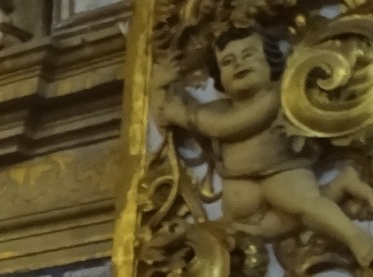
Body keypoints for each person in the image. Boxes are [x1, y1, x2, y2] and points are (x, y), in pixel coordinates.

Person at [155, 30, 373, 264]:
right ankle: (341, 184)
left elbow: (225, 126)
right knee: (273, 225)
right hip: (243, 202)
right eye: (227, 62)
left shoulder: (273, 96)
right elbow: (167, 116)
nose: (239, 64)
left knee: (304, 205)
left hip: (282, 171)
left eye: (248, 54)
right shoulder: (218, 109)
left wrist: (180, 114)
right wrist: (158, 87)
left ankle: (355, 237)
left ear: (271, 63)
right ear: (219, 76)